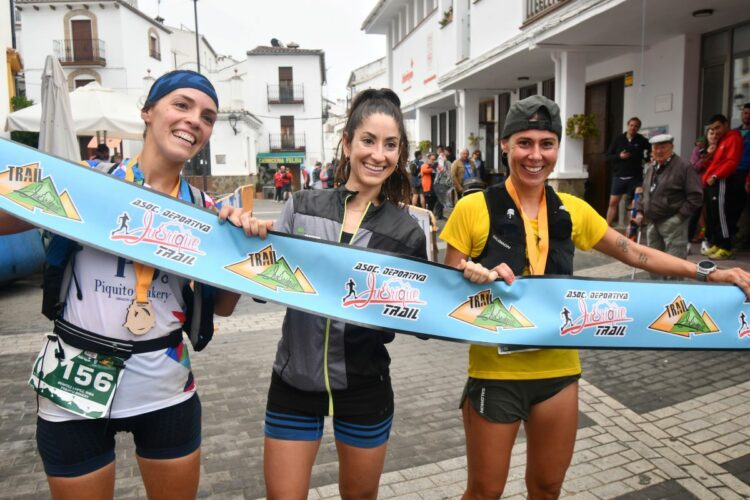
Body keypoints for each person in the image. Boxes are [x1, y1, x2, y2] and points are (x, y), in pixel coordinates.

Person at [439, 95, 750, 499]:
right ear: (505, 145)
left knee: (548, 488)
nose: (536, 155)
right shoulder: (473, 207)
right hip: (495, 377)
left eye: (546, 144)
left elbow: (636, 251)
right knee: (484, 492)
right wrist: (470, 277)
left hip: (558, 375)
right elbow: (443, 295)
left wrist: (708, 271)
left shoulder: (572, 209)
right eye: (525, 142)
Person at [0, 69, 240, 500]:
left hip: (164, 384)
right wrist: (47, 189)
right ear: (147, 113)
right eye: (181, 105)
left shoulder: (206, 211)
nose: (194, 121)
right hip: (73, 381)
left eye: (207, 117)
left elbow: (223, 308)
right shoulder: (91, 179)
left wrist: (237, 250)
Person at [220, 88, 430, 500]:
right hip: (293, 383)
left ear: (399, 153)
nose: (378, 154)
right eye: (368, 140)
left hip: (365, 387)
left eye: (390, 145)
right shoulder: (302, 206)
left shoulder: (408, 231)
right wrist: (242, 237)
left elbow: (426, 315)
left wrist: (472, 278)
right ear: (348, 143)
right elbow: (258, 282)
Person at [632, 134, 703, 277]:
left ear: (672, 147)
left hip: (674, 223)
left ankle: (673, 297)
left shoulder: (684, 166)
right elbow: (646, 191)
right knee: (653, 264)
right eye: (655, 147)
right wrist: (640, 212)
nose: (659, 151)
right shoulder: (651, 167)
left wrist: (679, 218)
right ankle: (657, 295)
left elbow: (696, 196)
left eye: (663, 147)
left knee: (674, 266)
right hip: (652, 222)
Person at [701, 114, 743, 260]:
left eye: (718, 127)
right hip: (713, 181)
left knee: (721, 215)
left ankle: (725, 247)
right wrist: (709, 153)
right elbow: (713, 163)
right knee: (713, 216)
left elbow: (731, 162)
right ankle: (717, 243)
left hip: (722, 181)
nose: (715, 131)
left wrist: (715, 176)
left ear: (726, 124)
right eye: (712, 129)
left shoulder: (733, 138)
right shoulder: (722, 140)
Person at [605, 117, 650, 226]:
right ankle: (606, 228)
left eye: (636, 126)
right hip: (619, 176)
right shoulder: (618, 139)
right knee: (613, 203)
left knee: (634, 204)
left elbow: (651, 149)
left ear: (638, 128)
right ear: (627, 125)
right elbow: (608, 156)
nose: (633, 128)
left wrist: (649, 158)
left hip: (635, 177)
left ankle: (632, 230)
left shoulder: (641, 140)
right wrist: (619, 156)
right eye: (631, 125)